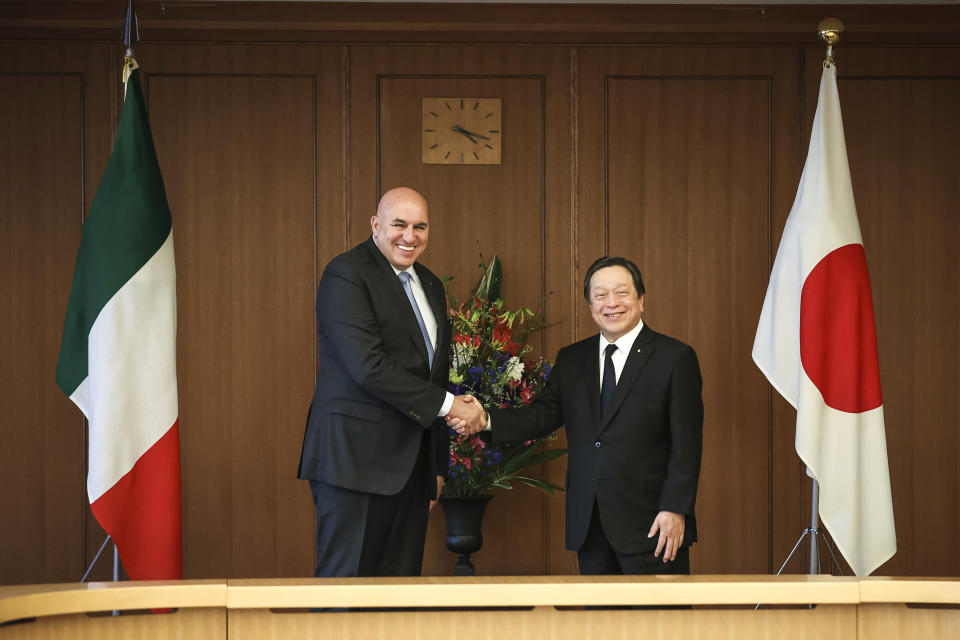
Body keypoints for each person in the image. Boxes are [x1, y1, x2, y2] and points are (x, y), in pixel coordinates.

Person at [450, 256, 702, 575]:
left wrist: (674, 509)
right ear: (590, 305)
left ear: (641, 300)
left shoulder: (674, 357)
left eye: (622, 293)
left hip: (654, 525)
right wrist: (484, 419)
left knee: (658, 624)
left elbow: (687, 445)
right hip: (591, 526)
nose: (611, 303)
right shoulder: (572, 359)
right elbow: (541, 416)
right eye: (600, 295)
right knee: (597, 624)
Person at [298, 187, 485, 577]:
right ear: (376, 224)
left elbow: (433, 374)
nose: (409, 236)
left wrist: (435, 464)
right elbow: (368, 366)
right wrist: (452, 406)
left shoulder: (430, 284)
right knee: (344, 597)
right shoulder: (346, 274)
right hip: (354, 462)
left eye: (420, 226)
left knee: (398, 600)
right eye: (399, 224)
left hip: (412, 471)